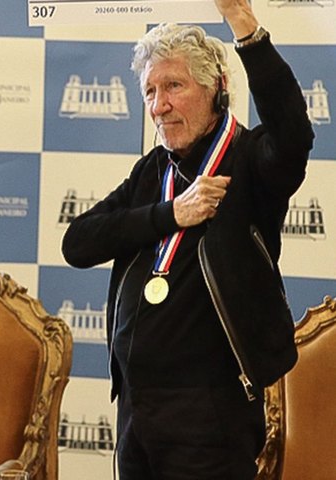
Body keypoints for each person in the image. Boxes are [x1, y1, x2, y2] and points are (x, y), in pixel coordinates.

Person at [61, 0, 314, 477]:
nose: (159, 105)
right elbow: (78, 243)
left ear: (217, 89)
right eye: (151, 91)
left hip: (211, 418)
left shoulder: (252, 160)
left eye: (174, 85)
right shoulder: (152, 171)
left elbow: (294, 132)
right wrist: (170, 215)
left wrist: (244, 25)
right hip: (137, 411)